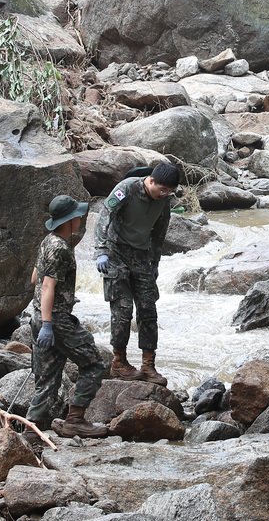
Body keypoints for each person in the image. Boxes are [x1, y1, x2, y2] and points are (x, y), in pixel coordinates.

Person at [29, 195, 108, 438]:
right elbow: (47, 287)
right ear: (71, 220)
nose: (81, 219)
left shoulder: (48, 241)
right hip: (56, 320)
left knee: (47, 378)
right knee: (94, 364)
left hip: (38, 315)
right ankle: (75, 420)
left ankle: (32, 431)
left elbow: (35, 278)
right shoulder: (61, 249)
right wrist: (49, 324)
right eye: (78, 216)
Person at [95, 161, 180, 385]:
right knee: (122, 310)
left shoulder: (164, 201)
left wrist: (155, 262)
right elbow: (105, 216)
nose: (165, 194)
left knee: (148, 310)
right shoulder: (127, 188)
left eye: (170, 191)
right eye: (162, 189)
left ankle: (148, 365)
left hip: (142, 255)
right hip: (115, 252)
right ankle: (119, 362)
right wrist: (101, 250)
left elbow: (160, 232)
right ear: (151, 181)